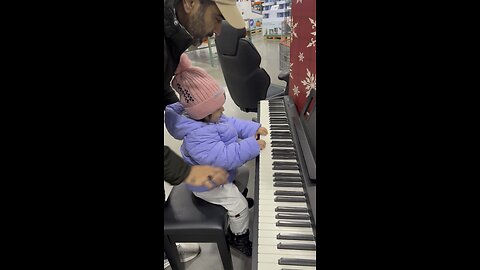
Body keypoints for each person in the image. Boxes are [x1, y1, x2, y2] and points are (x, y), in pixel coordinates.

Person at [163, 0, 246, 267]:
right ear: (190, 3)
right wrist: (185, 173)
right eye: (218, 17)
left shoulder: (171, 35)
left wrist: (181, 102)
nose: (219, 31)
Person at [165, 53, 268, 257]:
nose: (223, 110)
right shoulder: (197, 137)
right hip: (207, 184)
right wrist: (251, 145)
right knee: (237, 203)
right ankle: (237, 236)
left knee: (245, 171)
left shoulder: (212, 117)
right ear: (202, 113)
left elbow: (233, 124)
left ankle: (235, 198)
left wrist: (253, 129)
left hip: (221, 174)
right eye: (218, 108)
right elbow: (223, 157)